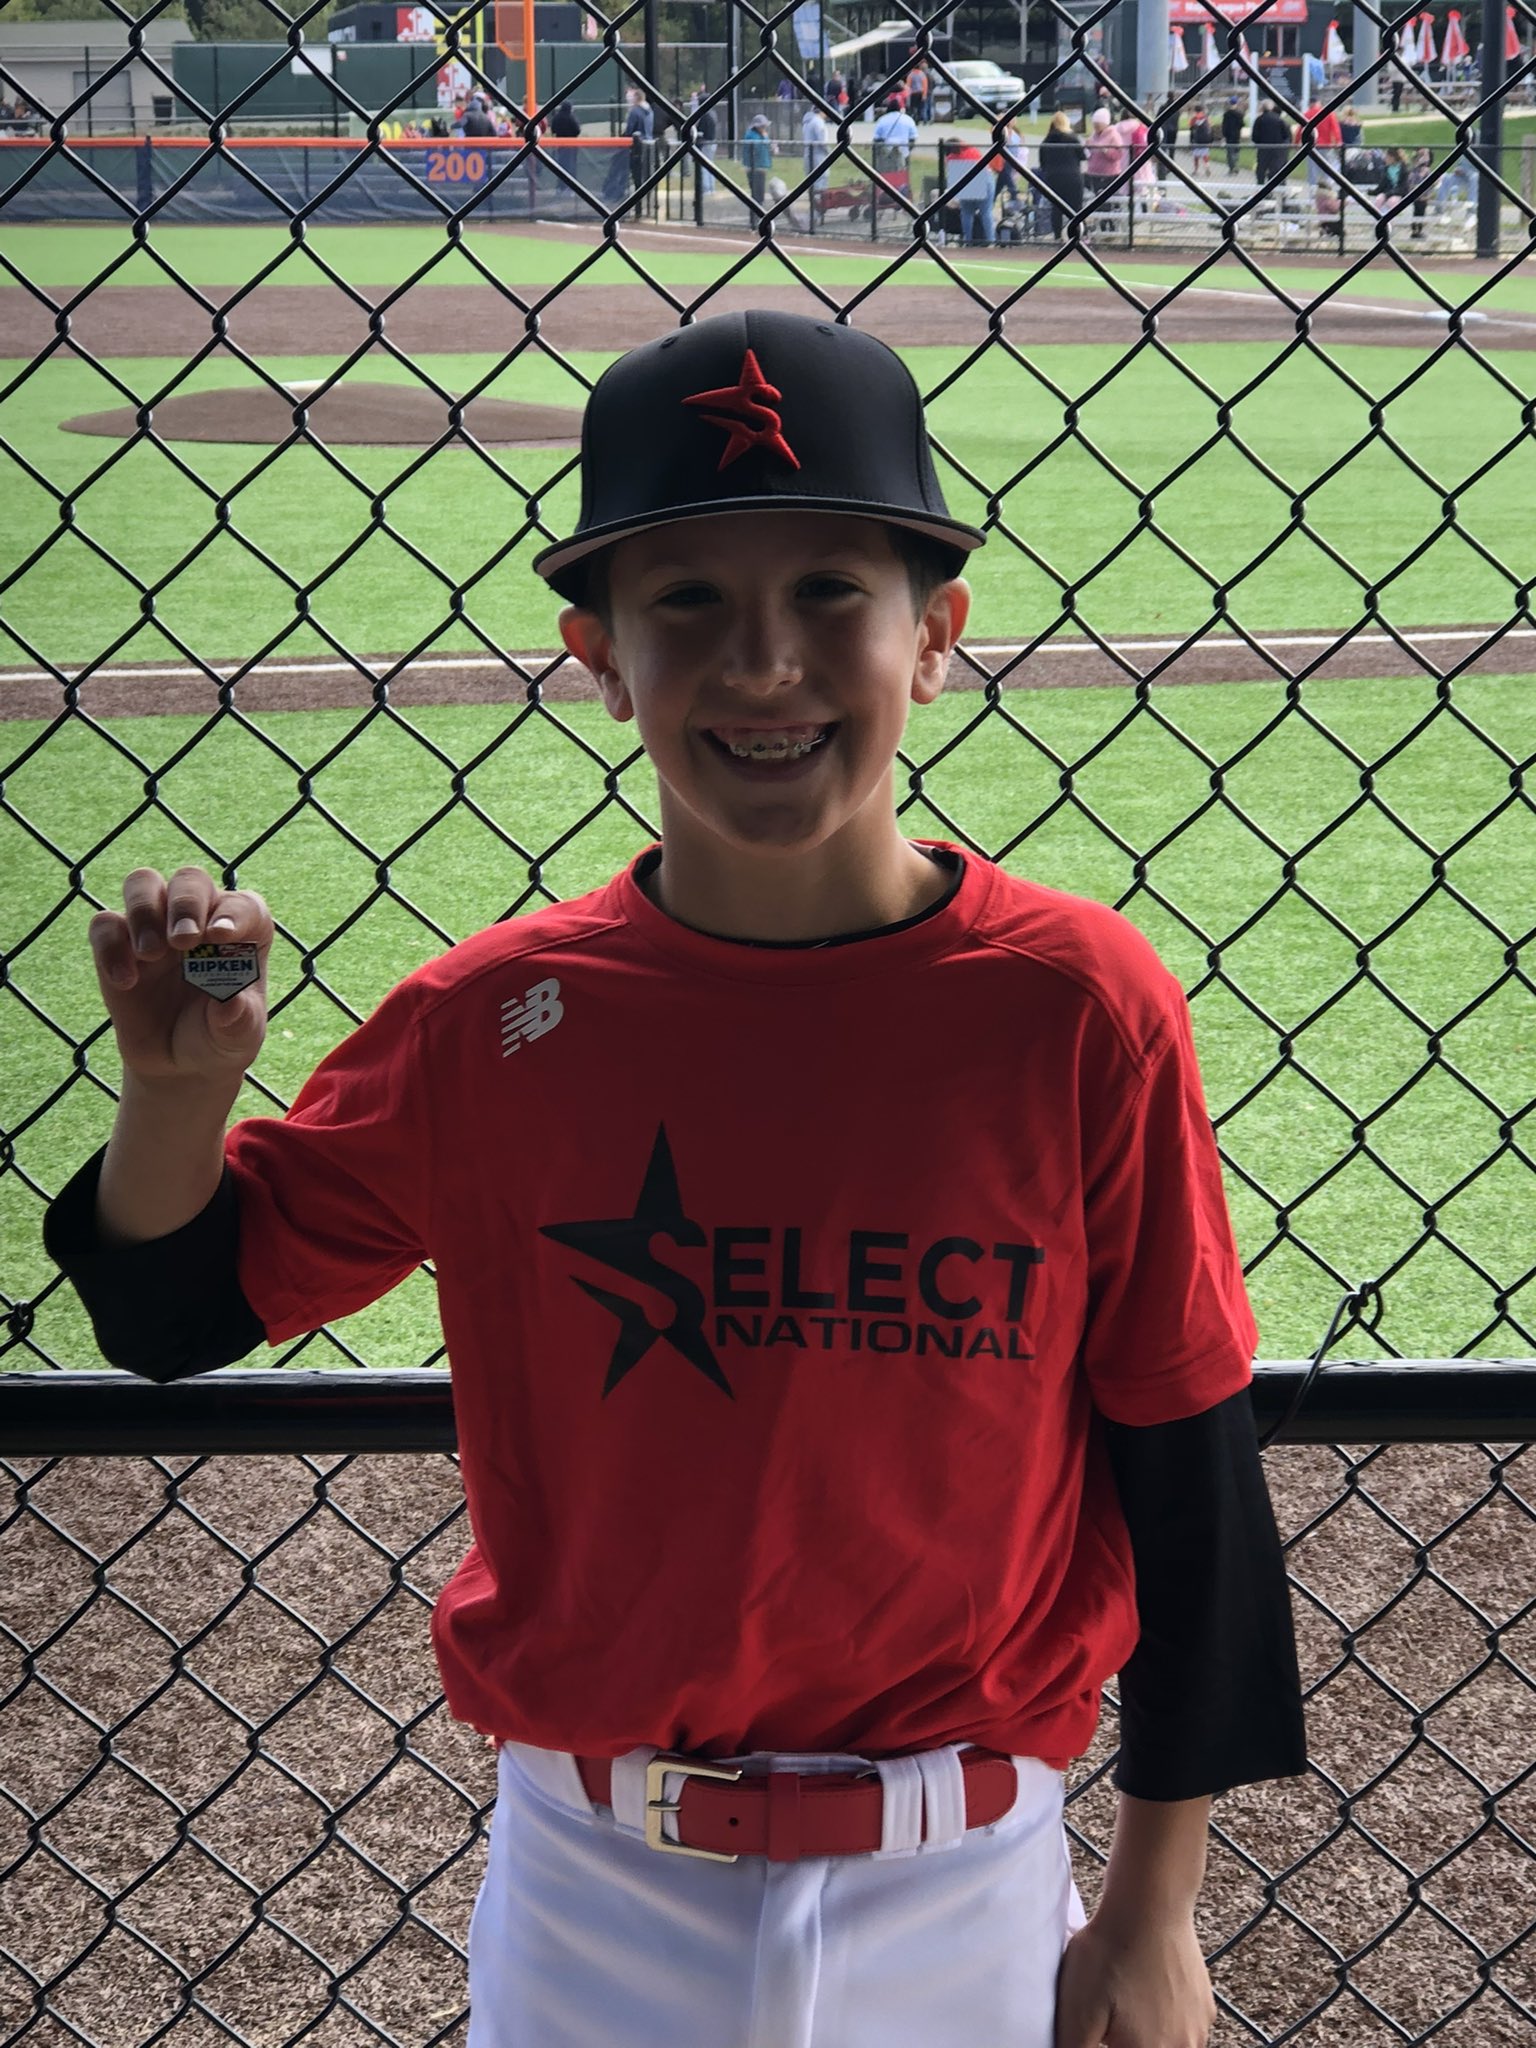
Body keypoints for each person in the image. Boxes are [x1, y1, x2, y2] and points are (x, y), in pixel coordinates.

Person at [46, 306, 1306, 2048]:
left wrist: (1156, 1914)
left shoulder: (1075, 1005)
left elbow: (1187, 1462)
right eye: (689, 600)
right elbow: (172, 1307)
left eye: (830, 593)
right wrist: (176, 1097)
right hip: (597, 1886)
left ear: (936, 636)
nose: (764, 662)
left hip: (962, 1879)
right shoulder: (500, 1020)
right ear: (600, 656)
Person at [1035, 107, 1086, 237]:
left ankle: (1057, 236)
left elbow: (1042, 163)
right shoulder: (1072, 139)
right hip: (1073, 177)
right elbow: (1083, 156)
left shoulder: (1046, 141)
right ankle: (1077, 234)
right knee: (1076, 208)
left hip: (1054, 178)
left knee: (1056, 208)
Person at [943, 135, 998, 246]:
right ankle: (991, 240)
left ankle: (968, 241)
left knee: (967, 213)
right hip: (983, 178)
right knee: (986, 212)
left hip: (966, 181)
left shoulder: (951, 158)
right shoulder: (972, 151)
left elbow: (954, 177)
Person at [871, 92, 918, 174]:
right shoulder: (908, 119)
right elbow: (913, 138)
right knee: (902, 171)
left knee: (887, 172)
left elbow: (877, 138)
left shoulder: (882, 120)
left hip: (886, 150)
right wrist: (908, 150)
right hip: (904, 149)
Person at [1251, 100, 1292, 187]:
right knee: (1277, 170)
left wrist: (1259, 143)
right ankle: (1279, 188)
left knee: (1261, 170)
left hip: (1263, 149)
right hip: (1278, 150)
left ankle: (1261, 187)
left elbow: (1255, 137)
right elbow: (1287, 136)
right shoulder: (1280, 120)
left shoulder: (1259, 120)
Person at [801, 100, 831, 219]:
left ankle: (813, 210)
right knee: (821, 181)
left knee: (811, 182)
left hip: (808, 154)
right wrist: (829, 152)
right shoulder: (818, 122)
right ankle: (818, 212)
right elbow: (822, 142)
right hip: (818, 156)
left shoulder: (807, 122)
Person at [742, 113, 773, 212]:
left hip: (762, 165)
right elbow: (757, 148)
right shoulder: (751, 135)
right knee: (756, 190)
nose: (764, 128)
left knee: (760, 189)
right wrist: (764, 138)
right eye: (762, 126)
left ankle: (759, 207)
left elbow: (767, 146)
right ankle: (756, 209)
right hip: (753, 166)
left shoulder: (762, 134)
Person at [1220, 95, 1244, 174]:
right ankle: (1236, 166)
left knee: (1230, 153)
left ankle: (1232, 168)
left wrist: (1224, 135)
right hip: (1236, 135)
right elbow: (1241, 124)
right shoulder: (1239, 114)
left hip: (1229, 136)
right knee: (1236, 152)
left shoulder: (1226, 114)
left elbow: (1224, 126)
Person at [1188, 103, 1212, 176]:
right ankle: (1207, 166)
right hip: (1205, 140)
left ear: (1195, 111)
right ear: (1202, 110)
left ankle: (1196, 170)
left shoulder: (1194, 119)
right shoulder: (1206, 118)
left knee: (1196, 156)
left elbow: (1190, 128)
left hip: (1197, 139)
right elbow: (1210, 127)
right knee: (1205, 155)